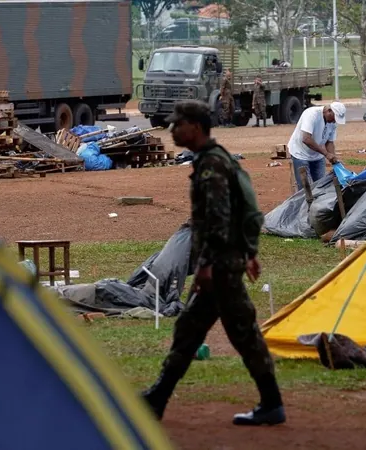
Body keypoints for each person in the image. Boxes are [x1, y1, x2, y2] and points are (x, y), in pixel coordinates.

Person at [141, 100, 286, 426]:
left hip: (219, 267)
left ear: (195, 126)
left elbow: (219, 220)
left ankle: (272, 402)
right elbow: (240, 211)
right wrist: (248, 253)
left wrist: (207, 265)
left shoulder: (211, 166)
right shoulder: (214, 160)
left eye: (178, 124)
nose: (173, 130)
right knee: (192, 329)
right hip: (224, 262)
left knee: (239, 333)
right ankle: (159, 397)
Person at [287, 101, 346, 190]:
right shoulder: (311, 114)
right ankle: (306, 204)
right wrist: (326, 154)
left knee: (321, 186)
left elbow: (329, 142)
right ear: (329, 111)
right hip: (300, 153)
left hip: (318, 155)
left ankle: (317, 204)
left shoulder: (332, 122)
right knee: (305, 188)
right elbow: (306, 139)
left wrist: (333, 157)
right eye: (334, 117)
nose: (334, 121)